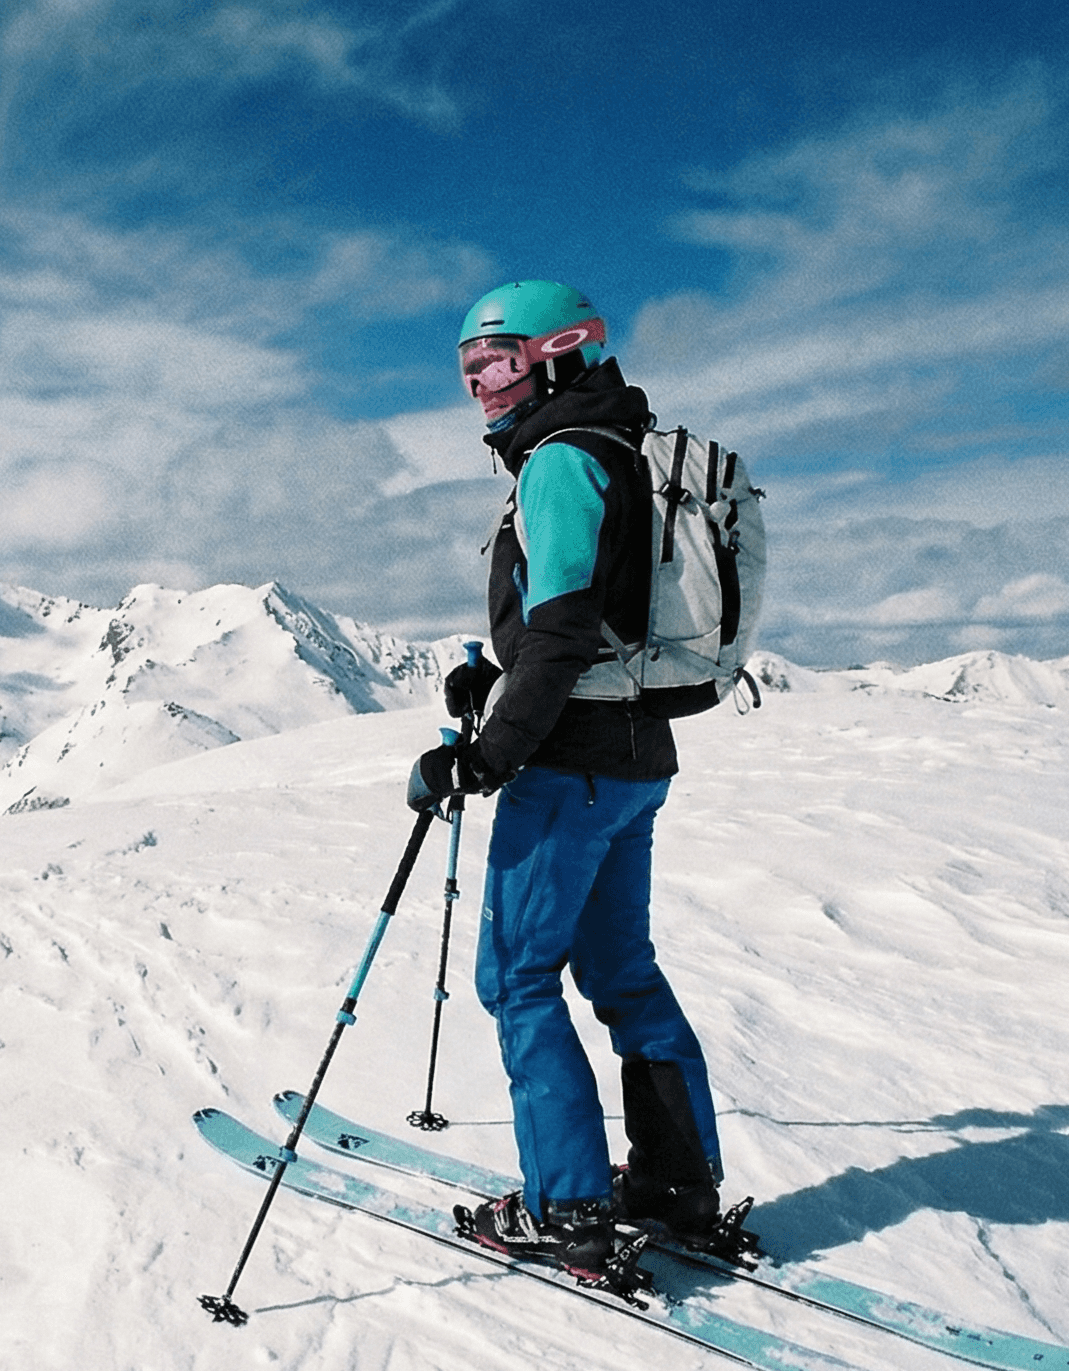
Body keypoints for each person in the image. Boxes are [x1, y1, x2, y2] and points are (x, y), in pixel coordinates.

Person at [404, 280, 729, 1280]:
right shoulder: (622, 446)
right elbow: (600, 624)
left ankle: (569, 1210)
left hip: (570, 772)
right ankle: (676, 1187)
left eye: (495, 366)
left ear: (560, 353)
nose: (481, 393)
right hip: (634, 760)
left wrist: (485, 752)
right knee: (621, 972)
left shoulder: (557, 462)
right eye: (467, 377)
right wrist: (496, 679)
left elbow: (564, 626)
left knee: (516, 977)